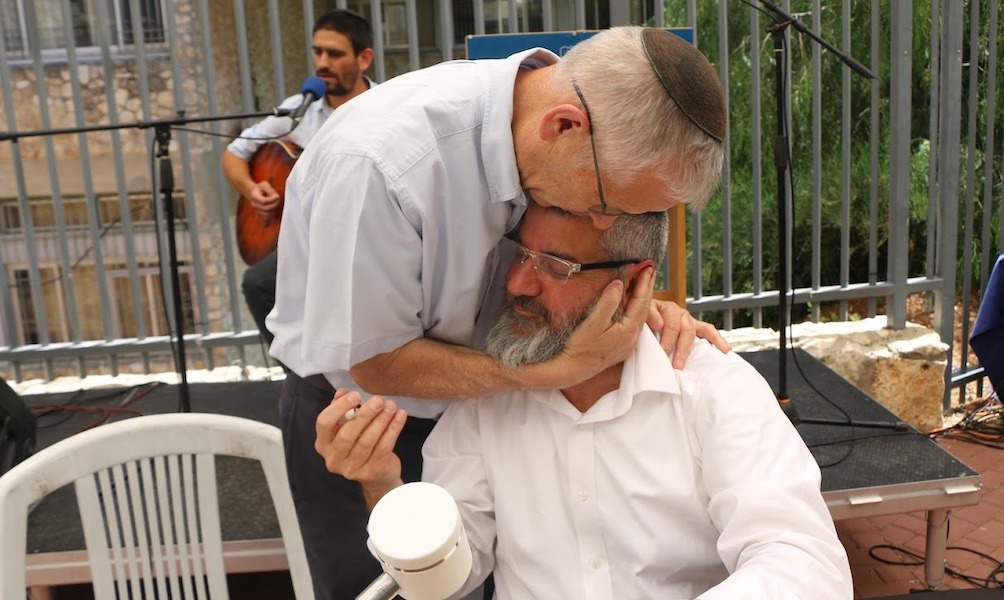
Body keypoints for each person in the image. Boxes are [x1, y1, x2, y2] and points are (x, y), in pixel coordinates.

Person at [267, 26, 731, 599]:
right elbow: (377, 360)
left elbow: (584, 265)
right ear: (563, 126)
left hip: (489, 410)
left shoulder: (566, 135)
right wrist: (550, 373)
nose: (604, 225)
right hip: (366, 424)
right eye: (608, 206)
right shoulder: (383, 164)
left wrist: (648, 311)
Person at [315, 202, 854, 599]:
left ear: (635, 282)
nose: (520, 283)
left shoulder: (710, 387)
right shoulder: (488, 398)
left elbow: (802, 561)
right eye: (519, 255)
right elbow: (452, 580)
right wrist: (384, 484)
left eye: (557, 266)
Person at [221, 9, 375, 345]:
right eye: (317, 52)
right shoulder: (299, 110)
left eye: (334, 54)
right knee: (259, 284)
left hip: (359, 235)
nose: (322, 63)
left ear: (364, 59)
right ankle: (299, 377)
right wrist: (251, 189)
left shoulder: (386, 109)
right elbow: (235, 153)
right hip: (303, 237)